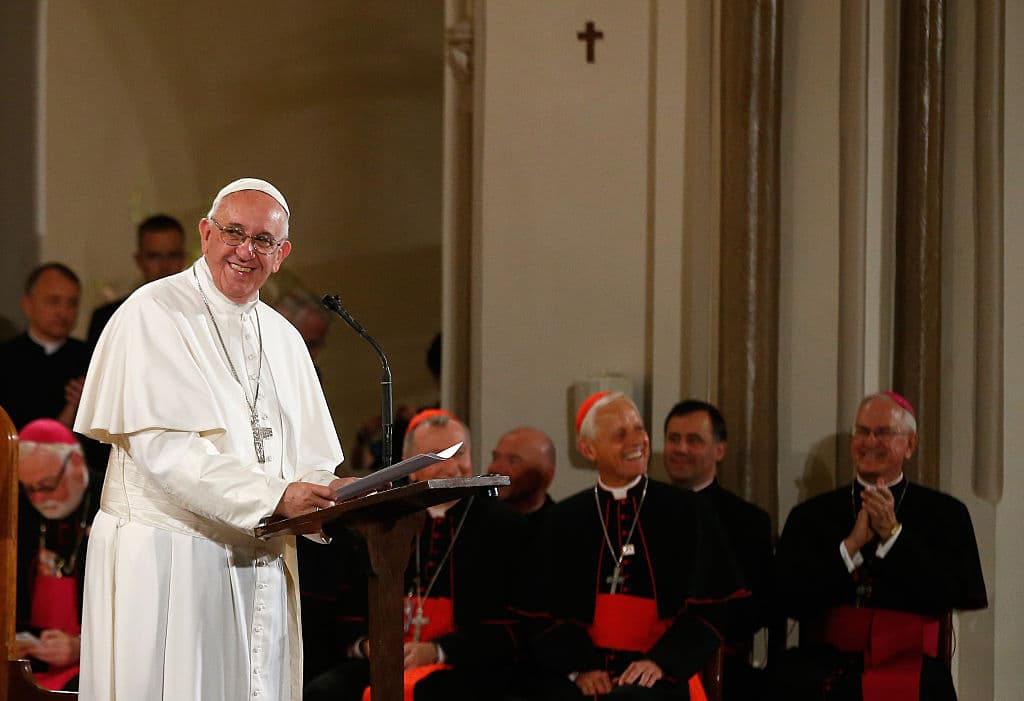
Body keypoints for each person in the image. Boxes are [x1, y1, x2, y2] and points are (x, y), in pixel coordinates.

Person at [73, 178, 350, 701]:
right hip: (168, 560)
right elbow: (168, 454)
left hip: (258, 563)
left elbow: (307, 456)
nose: (245, 251)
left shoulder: (284, 337)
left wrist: (330, 492)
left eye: (263, 241)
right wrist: (276, 498)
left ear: (281, 254)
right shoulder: (152, 313)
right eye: (233, 233)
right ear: (205, 234)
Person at [526, 391, 745, 700]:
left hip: (660, 672)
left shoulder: (688, 512)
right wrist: (580, 669)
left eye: (639, 429)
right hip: (584, 672)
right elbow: (541, 615)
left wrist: (661, 663)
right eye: (619, 434)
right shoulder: (564, 519)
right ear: (588, 449)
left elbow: (712, 609)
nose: (636, 441)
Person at [773, 391, 988, 700]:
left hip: (911, 661)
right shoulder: (810, 515)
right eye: (862, 431)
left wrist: (893, 535)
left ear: (910, 445)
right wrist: (850, 547)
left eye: (883, 432)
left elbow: (949, 593)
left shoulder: (946, 514)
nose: (869, 441)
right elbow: (787, 599)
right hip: (824, 660)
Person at [305, 408, 526, 701]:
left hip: (463, 664)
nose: (452, 467)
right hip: (382, 661)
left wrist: (437, 650)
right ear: (409, 466)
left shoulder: (502, 524)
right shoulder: (379, 521)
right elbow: (348, 606)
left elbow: (511, 624)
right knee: (325, 692)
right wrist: (369, 645)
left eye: (460, 454)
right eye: (437, 456)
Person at [663, 400, 773, 700]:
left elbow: (757, 604)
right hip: (648, 653)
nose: (681, 448)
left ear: (719, 450)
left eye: (694, 440)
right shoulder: (644, 510)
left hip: (721, 659)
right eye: (674, 439)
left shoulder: (749, 521)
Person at [15, 419, 99, 691]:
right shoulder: (22, 514)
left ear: (75, 462)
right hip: (32, 666)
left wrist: (82, 646)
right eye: (30, 489)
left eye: (48, 485)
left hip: (92, 668)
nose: (39, 499)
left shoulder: (109, 505)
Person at [0, 263, 90, 433]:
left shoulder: (91, 358)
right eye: (54, 301)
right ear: (28, 305)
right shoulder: (5, 359)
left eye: (72, 303)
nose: (63, 312)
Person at [86, 213, 187, 346]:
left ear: (184, 258)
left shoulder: (205, 314)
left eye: (173, 255)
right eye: (154, 256)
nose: (164, 266)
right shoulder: (109, 318)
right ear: (139, 261)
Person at [486, 426, 557, 521]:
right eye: (496, 458)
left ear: (546, 476)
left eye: (513, 461)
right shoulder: (472, 520)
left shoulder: (561, 528)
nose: (495, 469)